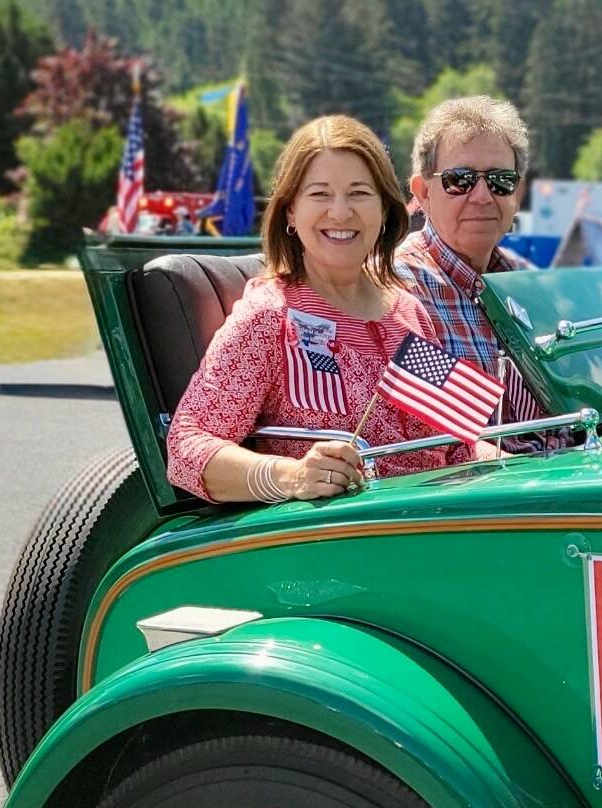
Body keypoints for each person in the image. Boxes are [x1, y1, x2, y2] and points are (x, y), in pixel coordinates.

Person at [167, 115, 483, 504]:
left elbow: (460, 449)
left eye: (358, 193)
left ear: (384, 211)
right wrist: (292, 477)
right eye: (319, 194)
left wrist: (540, 468)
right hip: (329, 547)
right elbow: (186, 448)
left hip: (439, 526)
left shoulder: (408, 312)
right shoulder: (270, 316)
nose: (340, 212)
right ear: (289, 212)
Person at [396, 95, 538, 425]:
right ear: (423, 193)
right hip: (481, 473)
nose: (482, 196)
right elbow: (437, 437)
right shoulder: (395, 289)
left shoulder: (528, 281)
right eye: (460, 179)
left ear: (517, 193)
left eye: (501, 180)